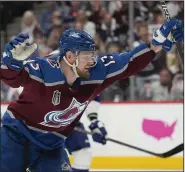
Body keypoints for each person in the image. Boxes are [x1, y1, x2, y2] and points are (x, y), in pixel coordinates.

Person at [1, 19, 183, 172]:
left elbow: (130, 61)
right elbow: (13, 78)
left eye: (93, 54)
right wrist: (9, 64)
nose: (93, 60)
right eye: (87, 56)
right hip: (17, 136)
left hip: (52, 144)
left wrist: (156, 43)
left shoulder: (97, 70)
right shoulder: (43, 69)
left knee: (82, 155)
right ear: (70, 57)